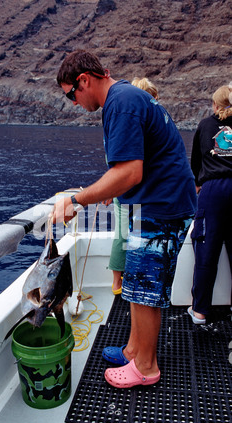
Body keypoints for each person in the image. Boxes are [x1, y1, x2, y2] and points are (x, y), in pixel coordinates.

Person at [51, 50, 197, 388]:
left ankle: (145, 367)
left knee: (145, 288)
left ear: (84, 80)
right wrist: (108, 189)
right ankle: (134, 350)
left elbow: (130, 171)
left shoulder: (121, 103)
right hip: (156, 202)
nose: (74, 103)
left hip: (163, 206)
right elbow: (132, 167)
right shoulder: (127, 96)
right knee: (135, 283)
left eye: (71, 94)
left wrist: (76, 200)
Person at [108, 77, 160, 295]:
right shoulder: (147, 123)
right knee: (128, 235)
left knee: (126, 235)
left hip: (134, 193)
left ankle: (121, 281)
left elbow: (117, 159)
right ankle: (120, 282)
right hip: (137, 193)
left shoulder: (129, 121)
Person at [188, 83, 232, 324]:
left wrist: (198, 186)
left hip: (213, 190)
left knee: (206, 251)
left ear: (215, 105)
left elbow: (196, 163)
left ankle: (200, 311)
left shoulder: (206, 125)